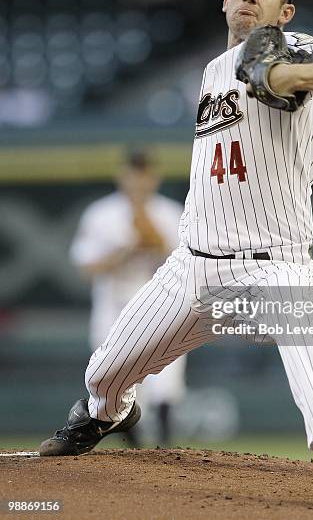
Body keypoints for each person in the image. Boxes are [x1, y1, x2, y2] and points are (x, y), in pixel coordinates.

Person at [40, 0, 313, 504]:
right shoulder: (210, 72)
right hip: (190, 266)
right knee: (103, 374)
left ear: (285, 12)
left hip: (271, 263)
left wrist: (285, 74)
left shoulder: (297, 49)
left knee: (299, 316)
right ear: (225, 1)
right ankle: (107, 414)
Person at [69, 149, 186, 447]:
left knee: (165, 384)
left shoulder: (171, 212)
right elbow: (86, 266)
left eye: (143, 173)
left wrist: (146, 231)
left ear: (153, 177)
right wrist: (121, 254)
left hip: (162, 305)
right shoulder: (101, 213)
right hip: (114, 305)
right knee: (114, 379)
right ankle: (135, 453)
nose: (138, 180)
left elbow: (184, 262)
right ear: (122, 176)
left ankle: (165, 450)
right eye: (133, 173)